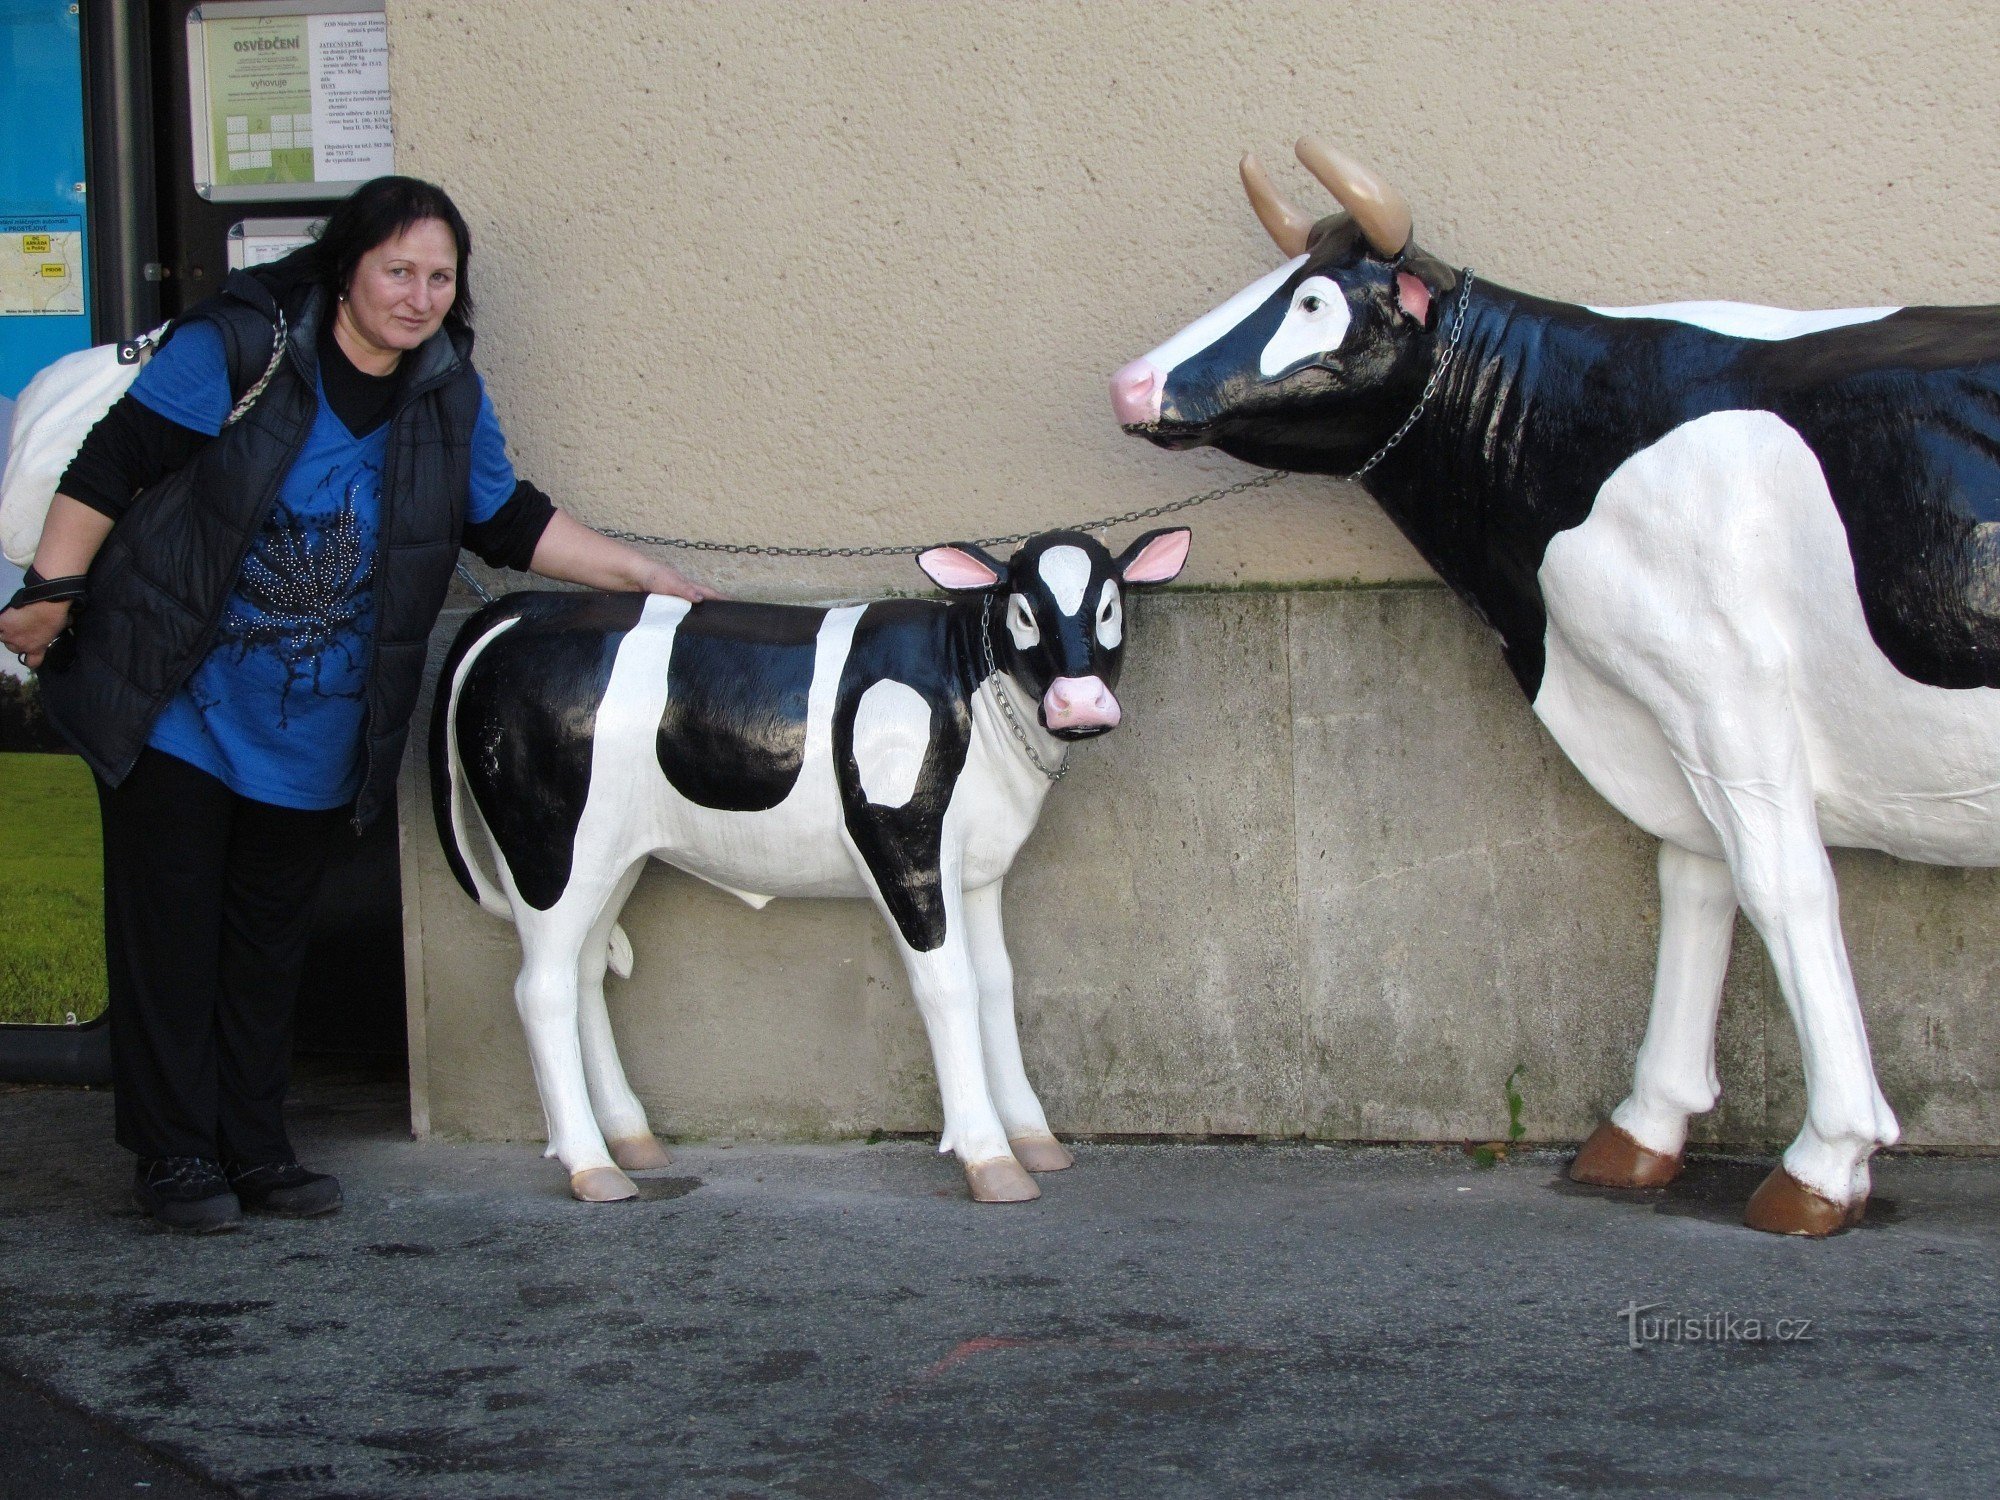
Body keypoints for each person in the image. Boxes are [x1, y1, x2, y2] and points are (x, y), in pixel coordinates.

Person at [0, 176, 714, 1233]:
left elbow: (503, 516)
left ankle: (255, 1146)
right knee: (173, 929)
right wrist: (51, 593)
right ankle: (174, 1155)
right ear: (347, 267)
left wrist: (638, 573)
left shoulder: (444, 389)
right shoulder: (242, 346)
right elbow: (115, 466)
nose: (418, 295)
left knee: (267, 941)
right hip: (178, 697)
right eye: (397, 270)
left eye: (439, 277)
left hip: (316, 725)